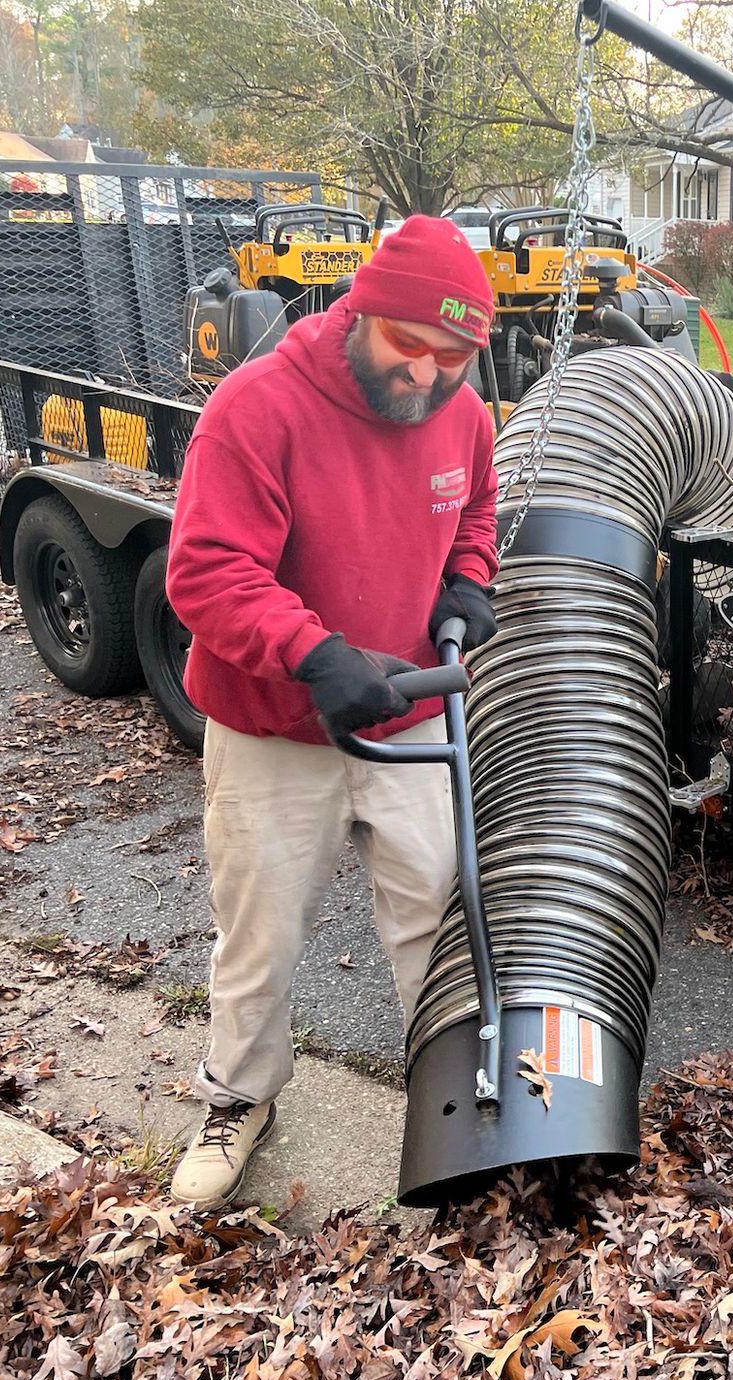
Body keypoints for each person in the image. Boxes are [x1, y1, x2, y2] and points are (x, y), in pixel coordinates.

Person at [163, 216, 502, 1208]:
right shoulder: (259, 407)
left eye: (453, 358)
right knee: (258, 930)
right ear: (362, 313)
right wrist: (312, 653)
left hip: (411, 719)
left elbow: (473, 514)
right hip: (275, 727)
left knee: (439, 921)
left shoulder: (463, 413)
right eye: (411, 347)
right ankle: (240, 1099)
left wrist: (468, 584)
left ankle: (454, 1111)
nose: (429, 377)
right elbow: (204, 571)